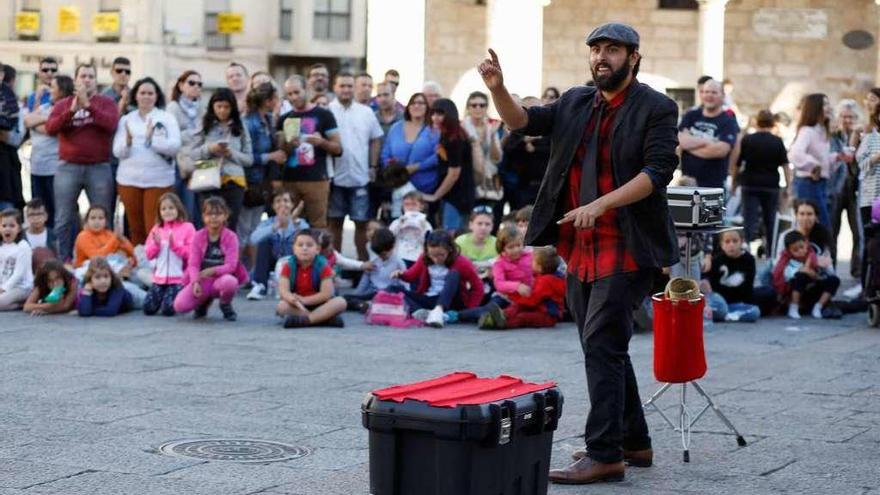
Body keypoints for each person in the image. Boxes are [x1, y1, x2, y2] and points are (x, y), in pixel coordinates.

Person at [480, 22, 680, 483]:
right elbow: (522, 123)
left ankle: (604, 453)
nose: (601, 57)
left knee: (602, 345)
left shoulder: (657, 107)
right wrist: (499, 88)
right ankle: (635, 442)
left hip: (630, 244)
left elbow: (658, 172)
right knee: (604, 345)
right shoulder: (574, 101)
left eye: (612, 50)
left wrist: (600, 205)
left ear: (633, 57)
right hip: (580, 243)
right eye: (595, 50)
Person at [45, 64, 119, 261]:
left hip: (99, 167)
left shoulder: (106, 103)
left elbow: (111, 124)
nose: (87, 79)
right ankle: (65, 261)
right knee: (63, 218)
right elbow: (51, 128)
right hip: (68, 167)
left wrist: (89, 106)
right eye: (83, 76)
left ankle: (104, 262)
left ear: (96, 80)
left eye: (91, 76)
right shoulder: (63, 104)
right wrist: (71, 111)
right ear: (76, 80)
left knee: (103, 216)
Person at [113, 77, 182, 246]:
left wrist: (153, 141)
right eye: (142, 93)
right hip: (129, 180)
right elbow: (117, 151)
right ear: (135, 96)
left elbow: (175, 146)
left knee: (155, 226)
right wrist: (128, 142)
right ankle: (139, 263)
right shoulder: (126, 119)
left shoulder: (167, 118)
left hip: (158, 180)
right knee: (135, 228)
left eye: (150, 93)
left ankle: (156, 264)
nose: (146, 96)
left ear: (156, 96)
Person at [327, 72, 384, 260]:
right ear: (335, 88)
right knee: (334, 224)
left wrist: (373, 165)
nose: (346, 90)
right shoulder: (327, 111)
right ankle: (336, 268)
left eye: (349, 86)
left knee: (361, 224)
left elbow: (376, 138)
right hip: (334, 177)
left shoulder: (366, 112)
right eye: (342, 86)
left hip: (360, 178)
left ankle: (362, 270)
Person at [277, 75, 342, 228]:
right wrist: (288, 144)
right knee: (288, 225)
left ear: (306, 89)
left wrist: (321, 142)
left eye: (297, 92)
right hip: (290, 180)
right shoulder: (284, 119)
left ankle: (319, 253)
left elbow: (338, 149)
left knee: (318, 226)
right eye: (290, 94)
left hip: (317, 180)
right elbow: (280, 153)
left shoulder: (324, 115)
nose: (293, 97)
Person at [173, 197, 248, 321]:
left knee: (230, 282)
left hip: (221, 279)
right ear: (203, 216)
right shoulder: (198, 236)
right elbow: (193, 264)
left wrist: (213, 271)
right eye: (209, 214)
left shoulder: (231, 237)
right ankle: (203, 302)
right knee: (179, 306)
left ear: (225, 215)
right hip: (203, 280)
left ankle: (225, 304)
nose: (213, 217)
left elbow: (231, 265)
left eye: (218, 214)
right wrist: (195, 282)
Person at [190, 88, 254, 231]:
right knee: (208, 226)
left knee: (230, 225)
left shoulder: (241, 125)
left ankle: (228, 253)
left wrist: (231, 154)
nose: (222, 111)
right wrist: (210, 148)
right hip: (207, 182)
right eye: (219, 106)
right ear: (212, 106)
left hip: (234, 182)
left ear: (233, 107)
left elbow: (249, 159)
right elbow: (193, 154)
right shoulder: (204, 124)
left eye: (226, 107)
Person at [391, 230, 483, 327]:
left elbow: (478, 287)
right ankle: (421, 313)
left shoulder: (461, 262)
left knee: (454, 274)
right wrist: (400, 274)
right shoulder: (424, 258)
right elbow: (411, 275)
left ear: (450, 249)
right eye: (433, 255)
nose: (436, 259)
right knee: (393, 289)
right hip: (431, 297)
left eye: (441, 255)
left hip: (452, 301)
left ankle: (439, 311)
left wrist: (469, 310)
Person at [729, 109, 790, 252]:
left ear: (757, 122)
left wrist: (734, 183)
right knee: (770, 219)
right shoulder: (777, 141)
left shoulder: (748, 139)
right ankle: (771, 250)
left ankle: (746, 247)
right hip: (771, 185)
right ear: (773, 123)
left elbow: (737, 164)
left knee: (749, 218)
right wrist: (788, 186)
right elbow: (786, 166)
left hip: (750, 184)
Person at [241, 82, 286, 265]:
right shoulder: (249, 123)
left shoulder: (268, 120)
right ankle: (238, 271)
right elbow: (247, 156)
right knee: (243, 230)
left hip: (261, 183)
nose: (278, 101)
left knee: (254, 229)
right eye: (276, 98)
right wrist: (272, 156)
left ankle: (252, 272)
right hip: (248, 181)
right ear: (268, 101)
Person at [24, 74, 74, 229]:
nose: (49, 90)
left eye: (53, 87)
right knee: (38, 211)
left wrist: (41, 122)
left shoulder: (68, 108)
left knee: (56, 213)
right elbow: (27, 121)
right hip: (37, 167)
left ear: (62, 89)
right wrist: (49, 119)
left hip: (55, 169)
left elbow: (52, 130)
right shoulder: (46, 107)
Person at [379, 93, 440, 218]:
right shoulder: (395, 128)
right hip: (398, 187)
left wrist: (418, 166)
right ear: (408, 107)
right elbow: (385, 153)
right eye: (413, 103)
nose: (416, 106)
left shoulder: (434, 130)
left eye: (421, 103)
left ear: (427, 107)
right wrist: (395, 169)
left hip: (424, 188)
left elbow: (438, 156)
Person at [478, 246, 566, 330]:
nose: (530, 262)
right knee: (518, 306)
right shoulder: (543, 275)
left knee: (523, 317)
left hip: (547, 315)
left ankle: (504, 323)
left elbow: (532, 300)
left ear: (539, 267)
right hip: (539, 307)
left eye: (532, 261)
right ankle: (503, 315)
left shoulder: (546, 281)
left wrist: (515, 297)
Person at [789, 93, 842, 229]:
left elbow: (823, 162)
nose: (828, 107)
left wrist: (836, 157)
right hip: (808, 184)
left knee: (819, 226)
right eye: (824, 104)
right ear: (816, 108)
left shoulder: (822, 132)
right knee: (819, 226)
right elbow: (794, 153)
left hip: (820, 184)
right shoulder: (808, 131)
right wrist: (813, 165)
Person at [276, 229, 347, 328]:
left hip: (320, 303)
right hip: (298, 305)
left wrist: (305, 300)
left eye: (309, 245)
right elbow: (283, 291)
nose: (304, 248)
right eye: (300, 245)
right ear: (294, 249)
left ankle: (307, 320)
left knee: (340, 302)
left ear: (317, 249)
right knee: (281, 306)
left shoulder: (323, 266)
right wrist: (292, 299)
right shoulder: (288, 266)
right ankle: (323, 319)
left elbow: (326, 294)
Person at [246, 189, 308, 300]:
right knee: (264, 241)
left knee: (302, 243)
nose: (282, 204)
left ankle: (291, 286)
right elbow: (253, 239)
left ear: (293, 205)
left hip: (292, 263)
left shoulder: (300, 222)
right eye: (278, 201)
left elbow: (307, 239)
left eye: (286, 201)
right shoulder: (268, 222)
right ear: (273, 206)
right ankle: (260, 286)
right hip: (270, 263)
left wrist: (291, 221)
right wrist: (276, 226)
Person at [678, 79, 740, 188]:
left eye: (714, 92)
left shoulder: (728, 120)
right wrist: (708, 142)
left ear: (722, 96)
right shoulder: (691, 115)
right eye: (706, 92)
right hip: (687, 182)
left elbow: (720, 151)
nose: (709, 95)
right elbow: (680, 141)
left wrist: (690, 145)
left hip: (714, 186)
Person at [424, 98, 474, 231]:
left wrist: (436, 195)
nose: (435, 117)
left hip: (457, 198)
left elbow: (454, 173)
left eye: (440, 114)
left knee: (451, 237)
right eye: (433, 113)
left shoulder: (454, 139)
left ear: (449, 115)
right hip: (455, 196)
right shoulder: (450, 135)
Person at [143, 192, 195, 316]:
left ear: (178, 208)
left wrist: (175, 247)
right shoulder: (156, 229)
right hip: (159, 279)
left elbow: (192, 253)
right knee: (148, 308)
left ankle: (185, 296)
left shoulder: (188, 227)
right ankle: (164, 297)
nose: (167, 211)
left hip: (178, 279)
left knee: (168, 310)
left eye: (171, 208)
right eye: (163, 209)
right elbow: (149, 255)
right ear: (159, 212)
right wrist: (156, 245)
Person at [166, 70, 206, 226]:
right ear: (181, 85)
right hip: (180, 166)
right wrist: (196, 133)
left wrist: (187, 135)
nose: (196, 86)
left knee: (199, 211)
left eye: (199, 84)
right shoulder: (173, 107)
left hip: (199, 164)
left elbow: (205, 135)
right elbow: (174, 136)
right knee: (184, 210)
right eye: (191, 82)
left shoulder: (201, 108)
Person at [773, 230, 840, 319]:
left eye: (801, 247)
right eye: (795, 250)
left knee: (834, 280)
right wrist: (805, 269)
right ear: (789, 251)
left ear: (806, 243)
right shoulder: (786, 260)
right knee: (801, 276)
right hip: (795, 292)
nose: (800, 251)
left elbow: (827, 273)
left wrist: (823, 266)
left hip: (813, 289)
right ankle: (794, 306)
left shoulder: (812, 254)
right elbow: (786, 274)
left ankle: (818, 306)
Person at [702, 229, 761, 323]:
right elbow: (711, 287)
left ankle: (725, 316)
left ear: (742, 242)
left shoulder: (749, 260)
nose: (731, 245)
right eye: (727, 241)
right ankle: (728, 315)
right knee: (716, 306)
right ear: (721, 244)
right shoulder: (716, 260)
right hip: (720, 302)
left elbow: (748, 287)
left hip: (737, 303)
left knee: (755, 312)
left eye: (735, 241)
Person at [829, 100, 860, 276]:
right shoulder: (833, 136)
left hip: (854, 187)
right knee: (833, 229)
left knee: (858, 231)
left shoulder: (861, 136)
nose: (847, 120)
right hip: (835, 187)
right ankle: (830, 268)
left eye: (850, 117)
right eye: (844, 116)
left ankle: (856, 271)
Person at [343, 227, 407, 310]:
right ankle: (365, 304)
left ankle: (369, 305)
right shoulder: (374, 261)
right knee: (346, 298)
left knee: (391, 293)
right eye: (379, 255)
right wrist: (357, 295)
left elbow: (405, 285)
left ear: (392, 246)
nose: (381, 257)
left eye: (384, 254)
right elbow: (364, 282)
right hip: (373, 293)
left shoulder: (399, 263)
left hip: (389, 294)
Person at [463, 91, 504, 214]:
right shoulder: (462, 127)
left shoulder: (491, 127)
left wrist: (491, 136)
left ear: (487, 107)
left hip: (489, 182)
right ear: (468, 107)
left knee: (489, 219)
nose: (478, 108)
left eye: (482, 105)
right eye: (474, 105)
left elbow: (497, 158)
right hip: (469, 180)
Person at [73, 204, 136, 270]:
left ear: (106, 221)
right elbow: (96, 257)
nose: (97, 222)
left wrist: (123, 240)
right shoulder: (83, 236)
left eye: (100, 218)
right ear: (86, 221)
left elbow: (132, 254)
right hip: (87, 271)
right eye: (93, 218)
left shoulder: (109, 234)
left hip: (110, 268)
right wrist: (114, 239)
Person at [775, 198, 836, 264]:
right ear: (796, 215)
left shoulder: (824, 235)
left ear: (816, 217)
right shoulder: (785, 236)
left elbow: (828, 265)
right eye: (802, 214)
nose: (805, 218)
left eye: (809, 214)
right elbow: (778, 262)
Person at [0, 208, 33, 310]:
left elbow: (19, 273)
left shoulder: (23, 246)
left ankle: (23, 304)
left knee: (1, 302)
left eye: (12, 226)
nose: (7, 229)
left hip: (22, 287)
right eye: (4, 226)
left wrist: (3, 288)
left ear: (19, 228)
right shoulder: (1, 246)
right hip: (4, 285)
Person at [388, 190, 432, 266]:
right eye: (407, 205)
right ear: (402, 206)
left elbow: (428, 241)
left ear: (421, 207)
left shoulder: (426, 224)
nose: (410, 207)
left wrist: (423, 228)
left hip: (417, 257)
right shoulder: (396, 222)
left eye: (414, 204)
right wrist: (399, 224)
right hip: (399, 256)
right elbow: (389, 236)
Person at [455, 207, 498, 276]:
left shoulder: (498, 243)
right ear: (471, 225)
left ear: (492, 227)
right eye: (479, 223)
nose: (483, 227)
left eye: (487, 224)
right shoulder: (460, 241)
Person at [24, 198, 58, 263]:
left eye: (39, 214)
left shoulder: (54, 235)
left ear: (46, 216)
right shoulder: (20, 237)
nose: (36, 218)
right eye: (32, 215)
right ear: (27, 217)